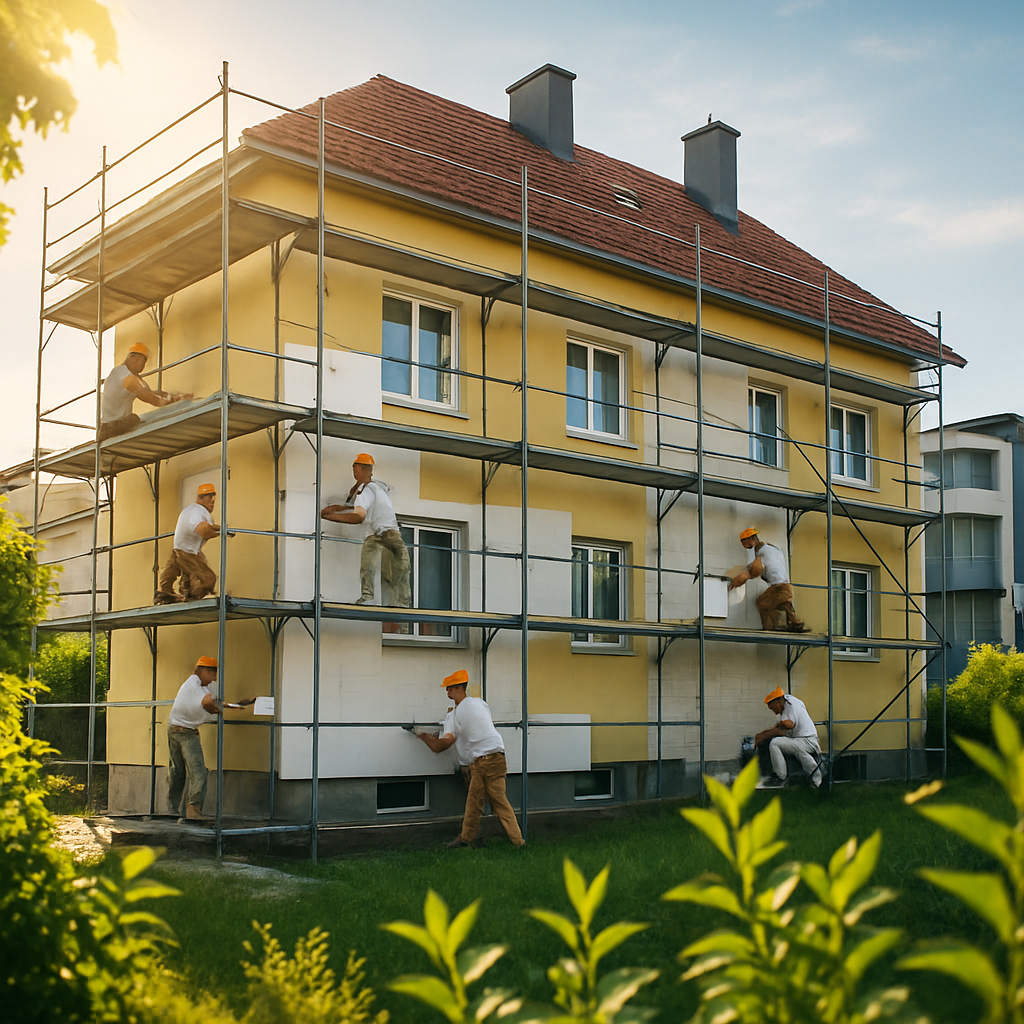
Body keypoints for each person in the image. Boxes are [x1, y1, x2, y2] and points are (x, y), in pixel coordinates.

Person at [414, 669, 526, 848]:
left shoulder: (453, 716)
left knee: (480, 803)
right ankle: (514, 841)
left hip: (483, 761)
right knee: (493, 802)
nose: (447, 691)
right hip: (497, 756)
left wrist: (423, 736)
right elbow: (477, 727)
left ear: (459, 687)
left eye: (449, 687)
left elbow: (442, 745)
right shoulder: (480, 703)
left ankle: (470, 840)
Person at [166, 656, 252, 821]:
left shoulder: (196, 685)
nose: (214, 679)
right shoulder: (194, 685)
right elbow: (207, 702)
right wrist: (216, 710)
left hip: (174, 729)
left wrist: (233, 705)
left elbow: (211, 700)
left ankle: (172, 809)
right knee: (199, 772)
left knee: (177, 771)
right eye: (213, 675)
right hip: (186, 732)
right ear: (204, 671)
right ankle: (193, 809)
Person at [320, 453, 411, 607]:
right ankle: (400, 603)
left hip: (378, 535)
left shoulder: (366, 490)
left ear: (362, 469)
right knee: (399, 568)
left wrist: (331, 517)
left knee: (369, 567)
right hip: (390, 533)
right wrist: (341, 506)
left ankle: (368, 597)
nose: (354, 473)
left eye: (355, 469)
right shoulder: (378, 487)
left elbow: (359, 516)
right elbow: (356, 503)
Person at [98, 342, 191, 441]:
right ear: (132, 357)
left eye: (144, 363)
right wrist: (168, 400)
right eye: (141, 362)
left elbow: (150, 392)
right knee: (134, 419)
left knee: (134, 419)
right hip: (110, 427)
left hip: (113, 424)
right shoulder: (124, 376)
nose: (143, 366)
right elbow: (149, 397)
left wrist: (176, 396)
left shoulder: (129, 375)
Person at [729, 527, 806, 632]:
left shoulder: (760, 552)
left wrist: (740, 578)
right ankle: (794, 622)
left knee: (763, 604)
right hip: (785, 585)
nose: (744, 546)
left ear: (750, 539)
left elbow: (755, 570)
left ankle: (771, 627)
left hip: (779, 587)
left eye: (744, 543)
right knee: (781, 602)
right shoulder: (773, 548)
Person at [155, 483, 221, 604]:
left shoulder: (192, 510)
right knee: (208, 578)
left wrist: (219, 529)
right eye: (209, 496)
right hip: (187, 552)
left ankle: (166, 595)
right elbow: (203, 529)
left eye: (213, 497)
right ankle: (196, 596)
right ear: (200, 498)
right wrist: (218, 531)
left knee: (175, 574)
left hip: (180, 549)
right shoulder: (198, 511)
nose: (212, 500)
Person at [756, 686, 822, 788]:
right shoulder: (790, 701)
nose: (774, 712)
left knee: (775, 743)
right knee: (800, 752)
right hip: (805, 739)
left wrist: (765, 735)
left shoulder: (789, 706)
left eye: (772, 708)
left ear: (777, 702)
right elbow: (782, 731)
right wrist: (764, 734)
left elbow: (788, 725)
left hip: (806, 740)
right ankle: (816, 780)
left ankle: (780, 776)